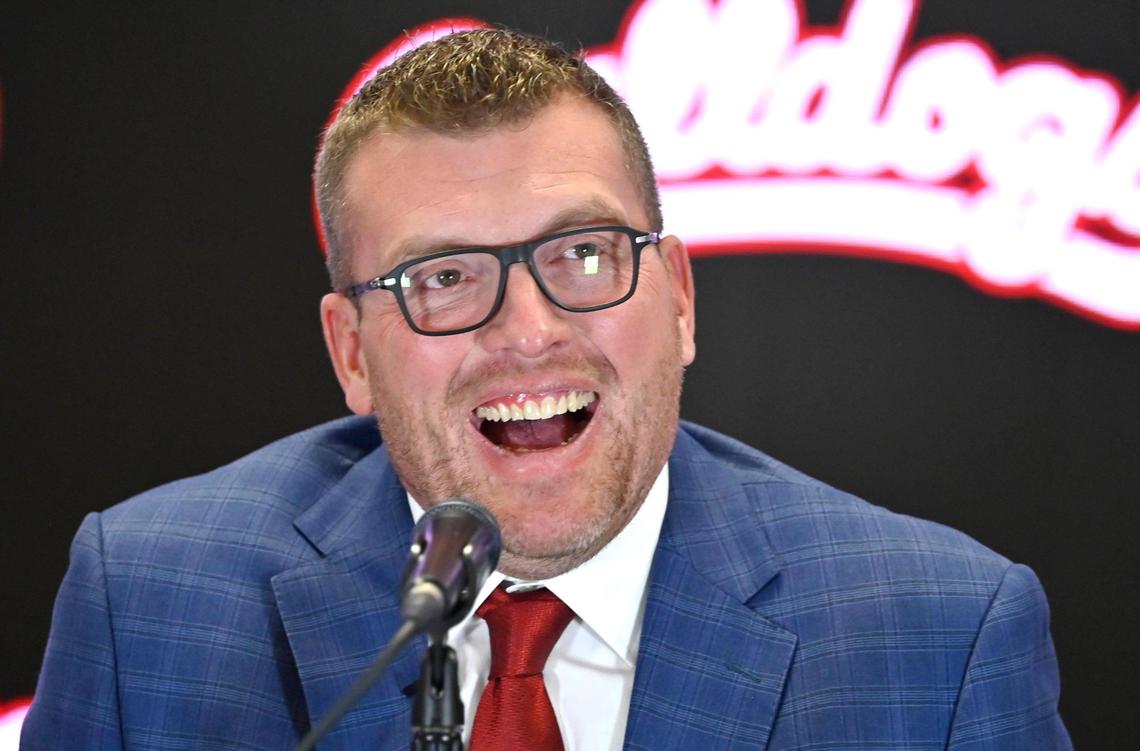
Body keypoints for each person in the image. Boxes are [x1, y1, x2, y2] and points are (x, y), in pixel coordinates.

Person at [22, 29, 1070, 750]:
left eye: (582, 253)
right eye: (443, 279)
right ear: (351, 352)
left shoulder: (940, 637)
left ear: (680, 299)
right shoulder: (149, 602)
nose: (528, 333)